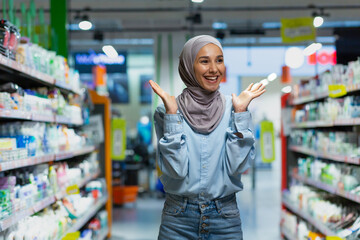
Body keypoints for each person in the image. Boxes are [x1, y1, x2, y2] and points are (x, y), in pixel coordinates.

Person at [149, 35, 266, 240]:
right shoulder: (166, 110)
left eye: (219, 60)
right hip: (178, 219)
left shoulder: (235, 108)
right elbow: (176, 170)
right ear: (188, 66)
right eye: (204, 61)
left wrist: (240, 114)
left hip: (225, 217)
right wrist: (172, 118)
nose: (214, 69)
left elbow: (238, 167)